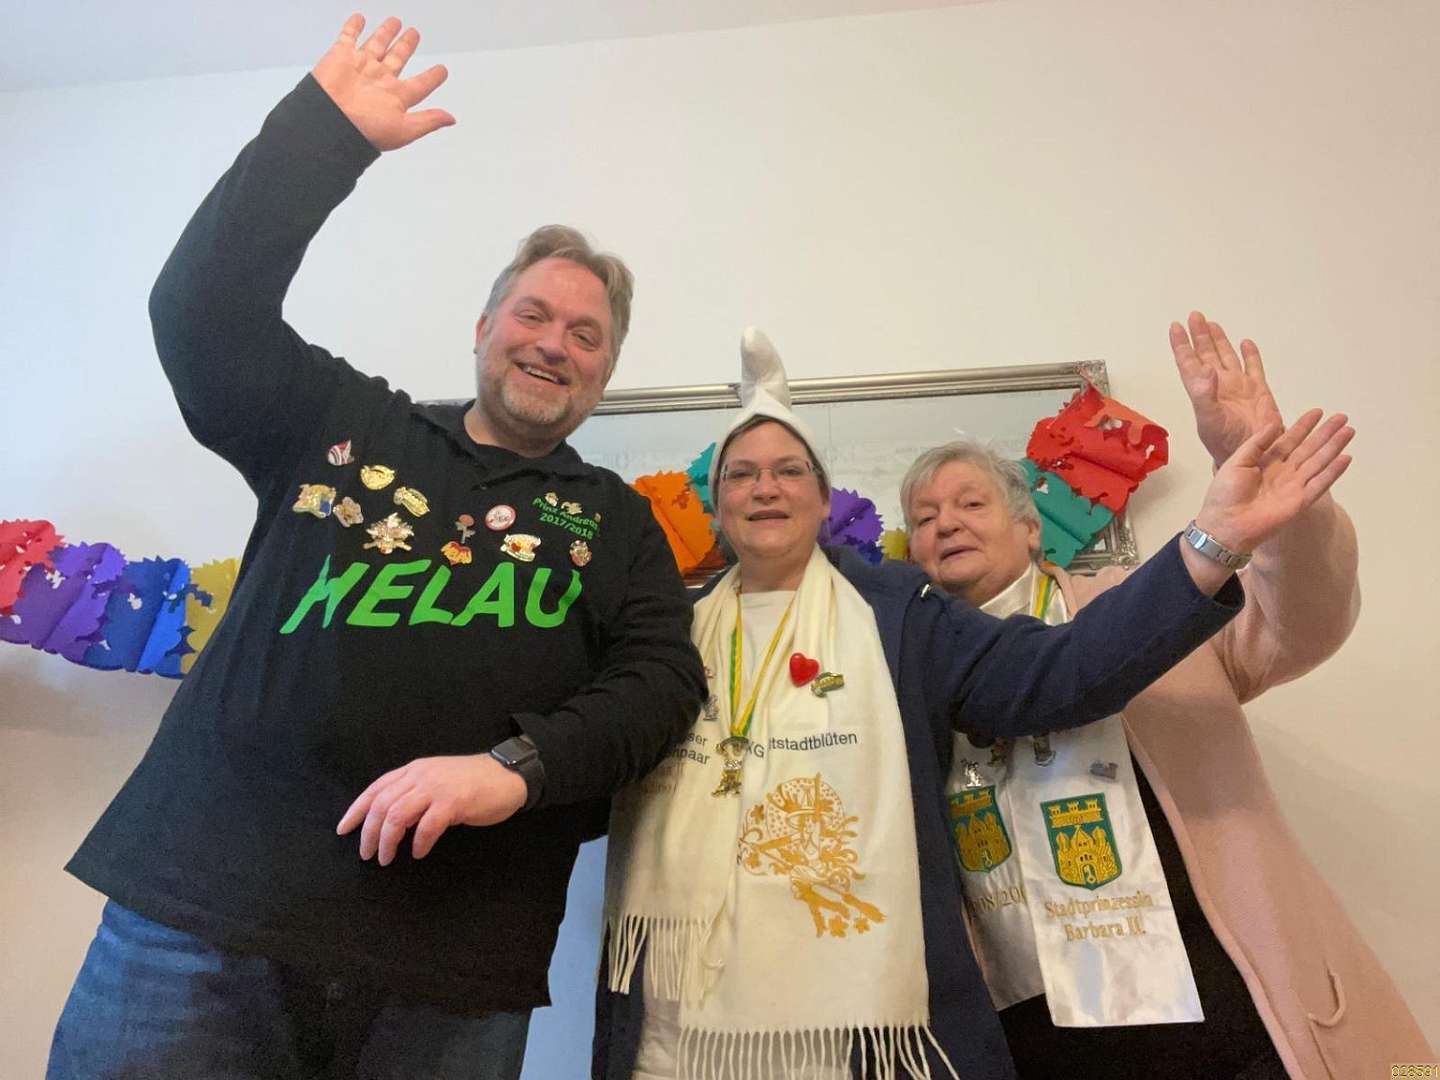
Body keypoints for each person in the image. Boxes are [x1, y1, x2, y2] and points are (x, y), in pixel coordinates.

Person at [47, 16, 705, 1080]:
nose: (554, 343)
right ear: (483, 329)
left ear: (605, 371)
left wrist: (516, 768)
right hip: (201, 919)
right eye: (533, 314)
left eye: (587, 335)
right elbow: (202, 315)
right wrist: (320, 139)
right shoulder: (340, 422)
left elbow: (662, 685)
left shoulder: (621, 524)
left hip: (452, 971)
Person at [592, 325, 1354, 1080]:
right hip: (695, 1022)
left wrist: (1213, 540)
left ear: (824, 501)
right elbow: (605, 747)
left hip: (927, 1025)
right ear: (716, 502)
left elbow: (1061, 671)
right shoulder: (666, 630)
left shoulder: (901, 616)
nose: (765, 488)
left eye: (790, 470)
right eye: (741, 474)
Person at [902, 313, 1433, 1078]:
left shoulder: (1150, 603)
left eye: (970, 504)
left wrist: (1280, 501)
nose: (945, 524)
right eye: (923, 518)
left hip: (1229, 1010)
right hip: (1038, 1038)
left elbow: (1304, 620)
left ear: (1031, 529)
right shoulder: (909, 681)